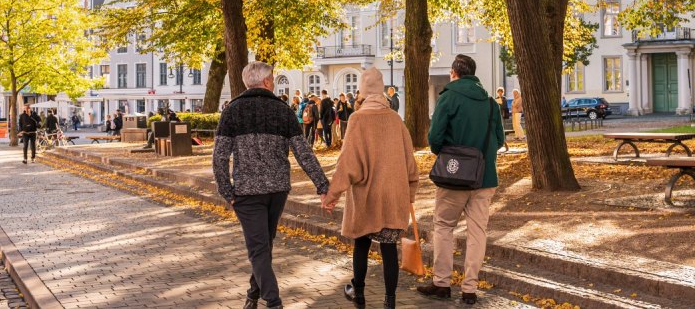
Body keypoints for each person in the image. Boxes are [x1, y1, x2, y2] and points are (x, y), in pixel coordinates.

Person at [213, 61, 329, 309]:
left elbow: (220, 156)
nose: (274, 82)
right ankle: (257, 297)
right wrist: (322, 184)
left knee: (259, 248)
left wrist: (227, 191)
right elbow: (303, 153)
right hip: (277, 189)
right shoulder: (282, 110)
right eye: (273, 79)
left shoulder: (232, 111)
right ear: (266, 82)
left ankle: (271, 302)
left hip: (246, 192)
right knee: (263, 246)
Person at [322, 68, 417, 309]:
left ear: (362, 93)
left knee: (361, 244)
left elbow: (347, 164)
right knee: (388, 249)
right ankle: (390, 301)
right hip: (393, 195)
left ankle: (359, 293)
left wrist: (332, 194)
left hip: (365, 195)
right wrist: (410, 195)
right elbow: (410, 163)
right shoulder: (396, 120)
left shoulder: (357, 119)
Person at [418, 54, 505, 305]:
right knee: (478, 232)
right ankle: (470, 289)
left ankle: (442, 283)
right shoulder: (490, 102)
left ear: (454, 73)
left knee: (444, 227)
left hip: (453, 177)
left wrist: (450, 154)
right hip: (485, 176)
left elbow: (434, 137)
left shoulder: (448, 97)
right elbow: (499, 140)